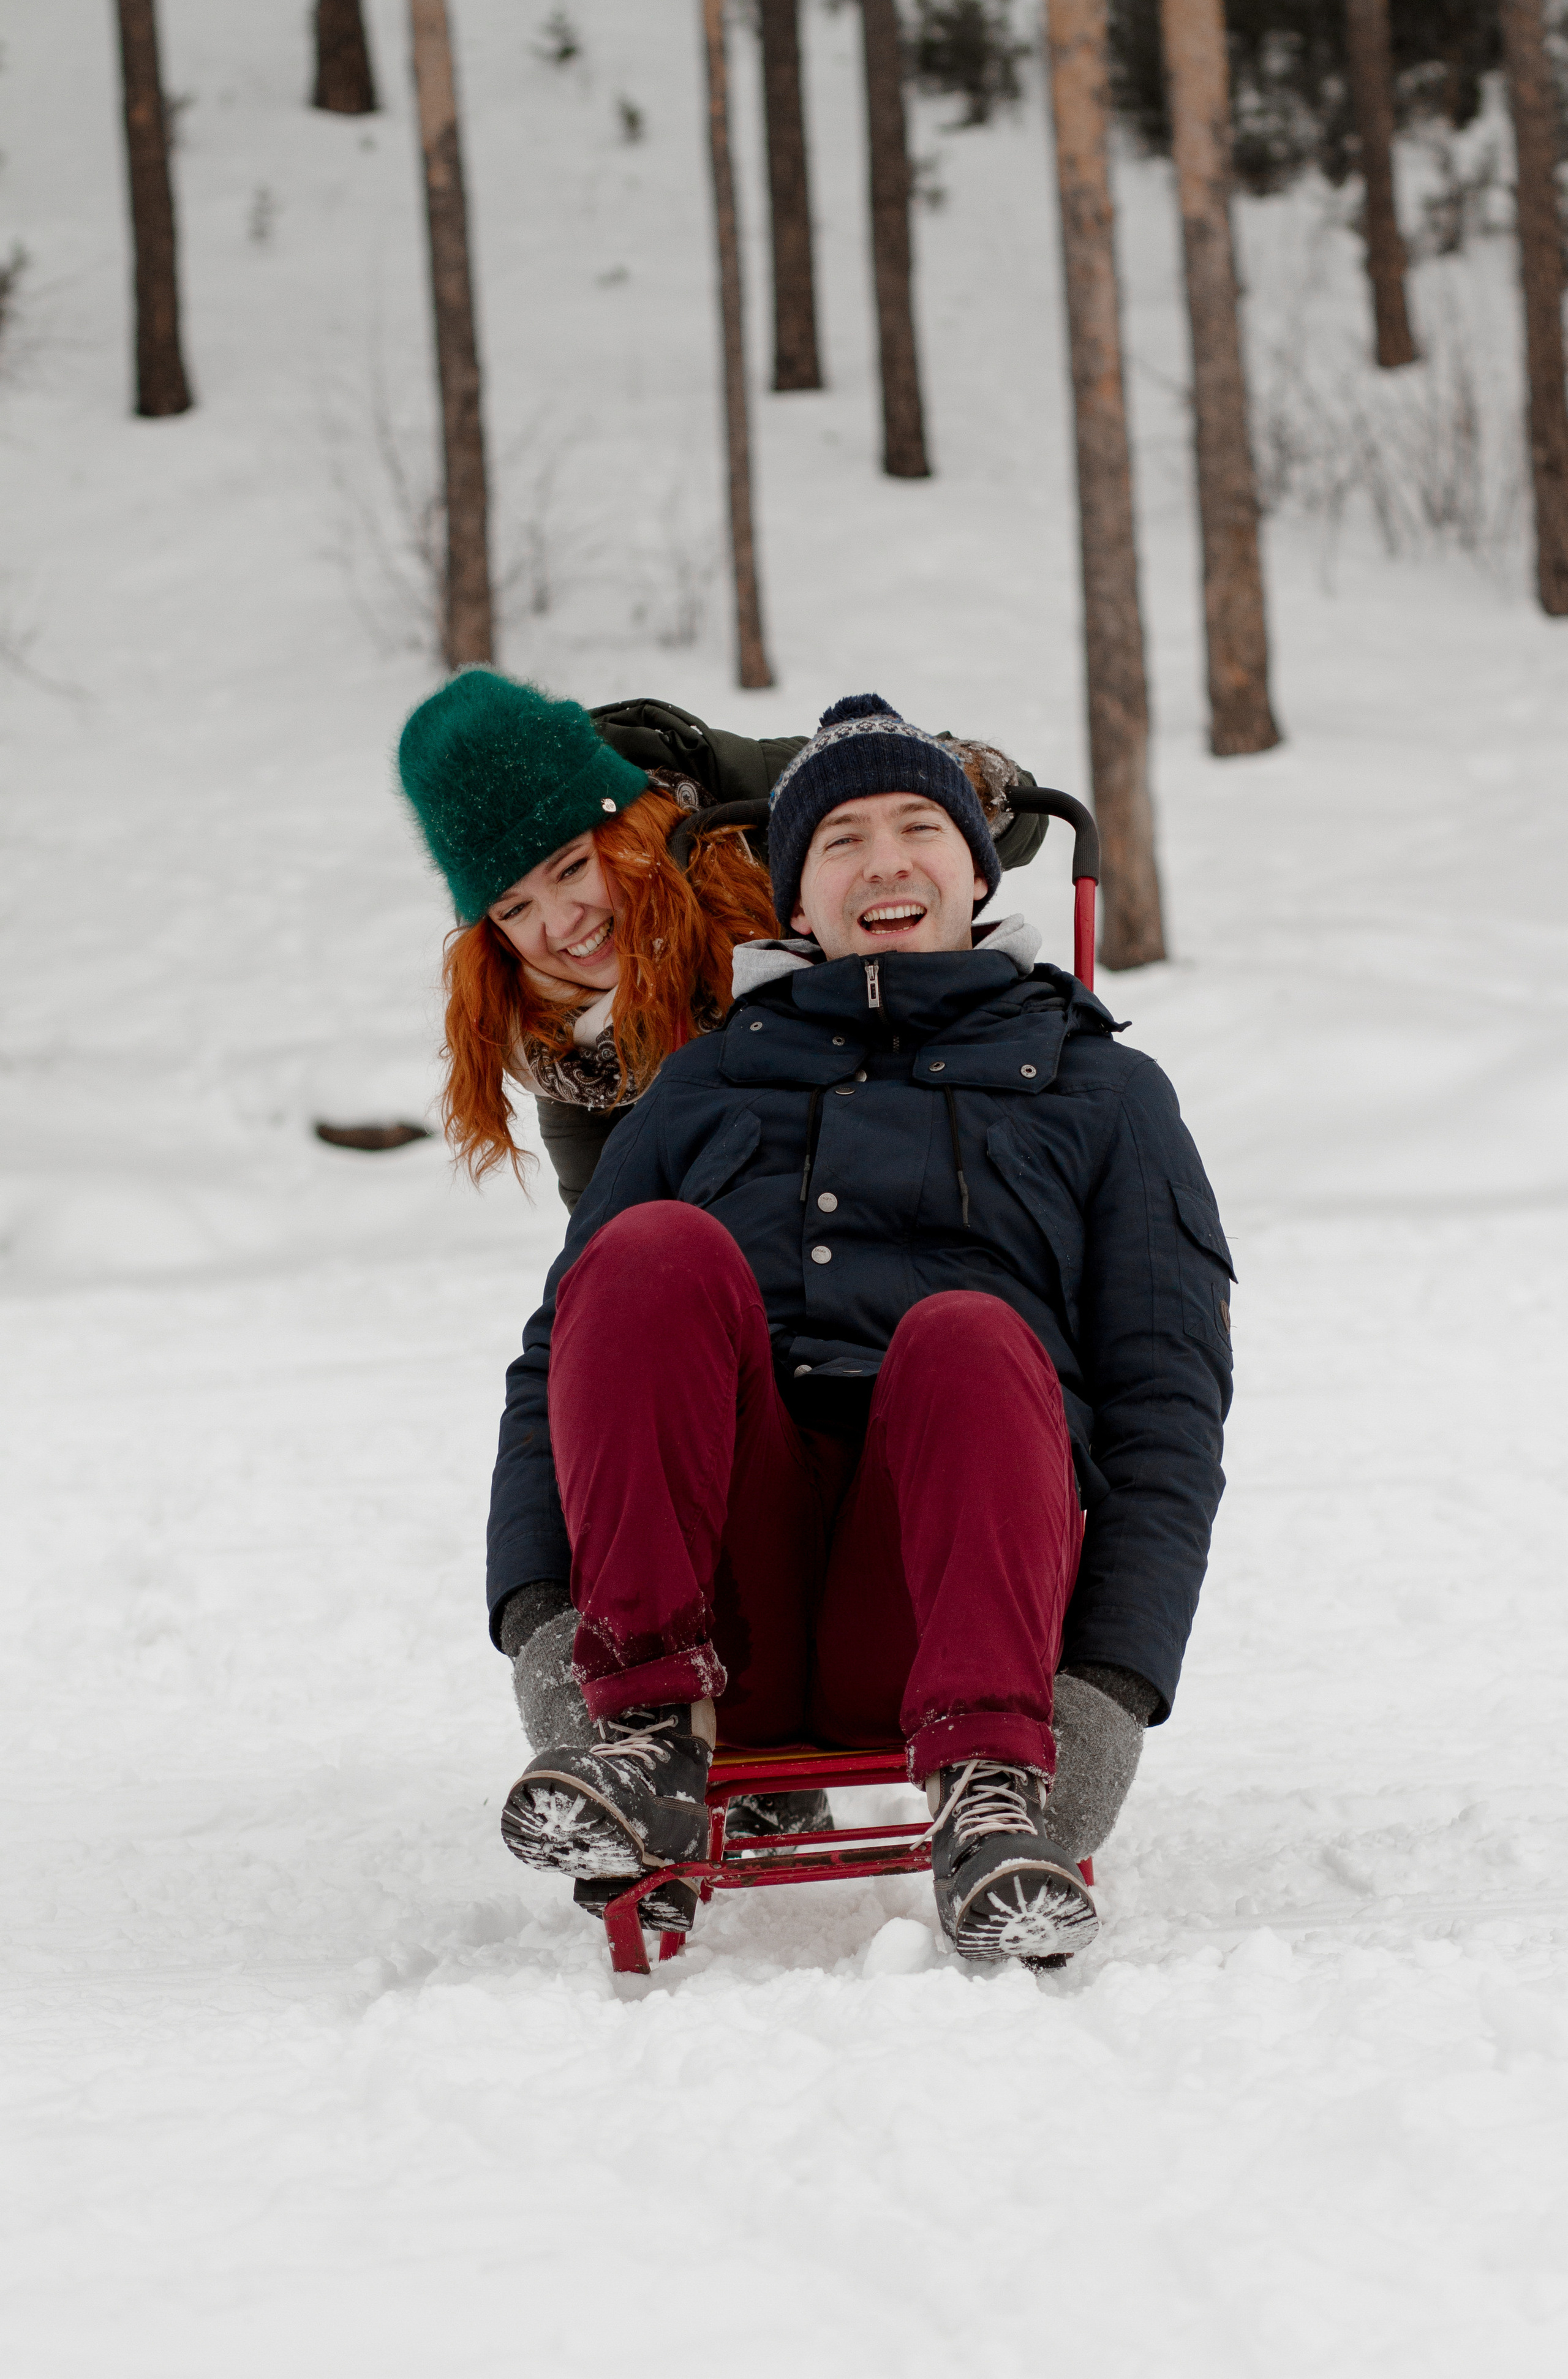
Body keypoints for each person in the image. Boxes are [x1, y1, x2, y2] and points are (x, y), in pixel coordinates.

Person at [486, 694, 1234, 1968]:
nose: (882, 861)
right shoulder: (704, 1082)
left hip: (957, 1592)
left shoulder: (1100, 1088)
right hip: (727, 1613)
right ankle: (647, 1736)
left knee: (967, 1333)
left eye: (916, 827)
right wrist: (555, 1654)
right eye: (837, 840)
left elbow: (1165, 1406)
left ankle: (991, 1788)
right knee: (649, 1254)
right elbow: (558, 1369)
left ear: (974, 865)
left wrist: (1099, 1701)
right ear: (796, 901)